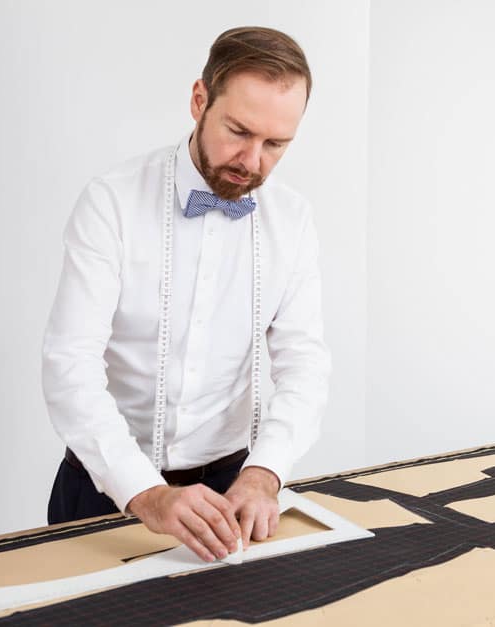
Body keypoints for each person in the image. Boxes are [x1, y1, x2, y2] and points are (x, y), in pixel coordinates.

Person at [41, 26, 331, 564]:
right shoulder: (112, 203)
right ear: (200, 100)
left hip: (232, 495)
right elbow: (69, 365)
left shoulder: (292, 221)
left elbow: (305, 365)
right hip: (103, 492)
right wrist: (146, 494)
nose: (251, 160)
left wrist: (265, 474)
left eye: (275, 144)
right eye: (238, 131)